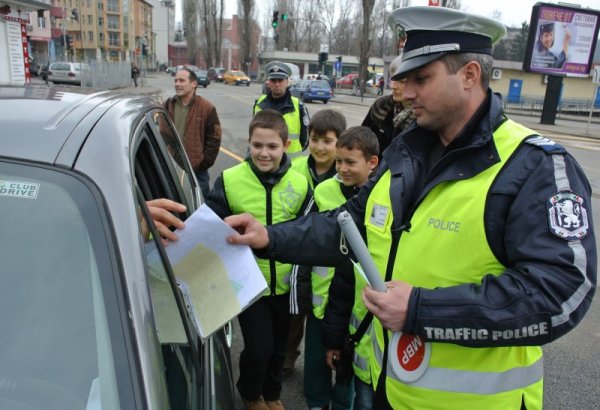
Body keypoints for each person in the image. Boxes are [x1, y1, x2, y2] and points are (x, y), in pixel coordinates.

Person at [223, 6, 596, 409]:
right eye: (404, 77)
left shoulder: (532, 167)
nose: (406, 90)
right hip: (392, 392)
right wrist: (270, 238)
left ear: (470, 75)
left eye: (422, 78)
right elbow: (348, 227)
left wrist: (422, 310)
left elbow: (560, 293)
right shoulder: (406, 152)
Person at [207, 109, 312, 410]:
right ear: (249, 144)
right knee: (258, 348)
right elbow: (211, 225)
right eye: (257, 146)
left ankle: (272, 393)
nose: (263, 153)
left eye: (272, 147)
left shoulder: (301, 184)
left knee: (279, 348)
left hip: (285, 283)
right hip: (247, 283)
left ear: (285, 147)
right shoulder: (230, 179)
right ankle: (251, 394)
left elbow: (306, 230)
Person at [308, 126, 379, 410]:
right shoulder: (325, 189)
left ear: (372, 162)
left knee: (349, 368)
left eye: (350, 162)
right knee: (318, 359)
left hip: (359, 302)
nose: (342, 168)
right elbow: (309, 234)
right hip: (322, 299)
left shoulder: (382, 195)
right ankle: (316, 403)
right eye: (339, 161)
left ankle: (342, 404)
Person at [283, 109, 347, 377]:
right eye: (314, 139)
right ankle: (287, 358)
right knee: (293, 312)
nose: (319, 147)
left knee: (322, 314)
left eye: (328, 141)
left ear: (340, 142)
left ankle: (321, 369)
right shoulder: (293, 168)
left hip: (327, 263)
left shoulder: (345, 172)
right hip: (297, 255)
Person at [164, 68, 222, 199]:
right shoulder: (168, 105)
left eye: (182, 80)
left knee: (199, 205)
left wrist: (203, 163)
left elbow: (215, 138)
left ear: (193, 84)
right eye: (176, 80)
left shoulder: (207, 107)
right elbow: (162, 135)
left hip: (197, 171)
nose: (177, 84)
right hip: (172, 167)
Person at [362, 54, 415, 157]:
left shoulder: (426, 116)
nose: (393, 86)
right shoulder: (380, 107)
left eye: (401, 81)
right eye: (392, 79)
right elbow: (361, 142)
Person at [254, 61, 310, 156]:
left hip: (292, 164)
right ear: (268, 83)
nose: (277, 84)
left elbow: (305, 138)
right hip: (265, 160)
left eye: (280, 80)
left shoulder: (298, 105)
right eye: (273, 80)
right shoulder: (259, 104)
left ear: (287, 82)